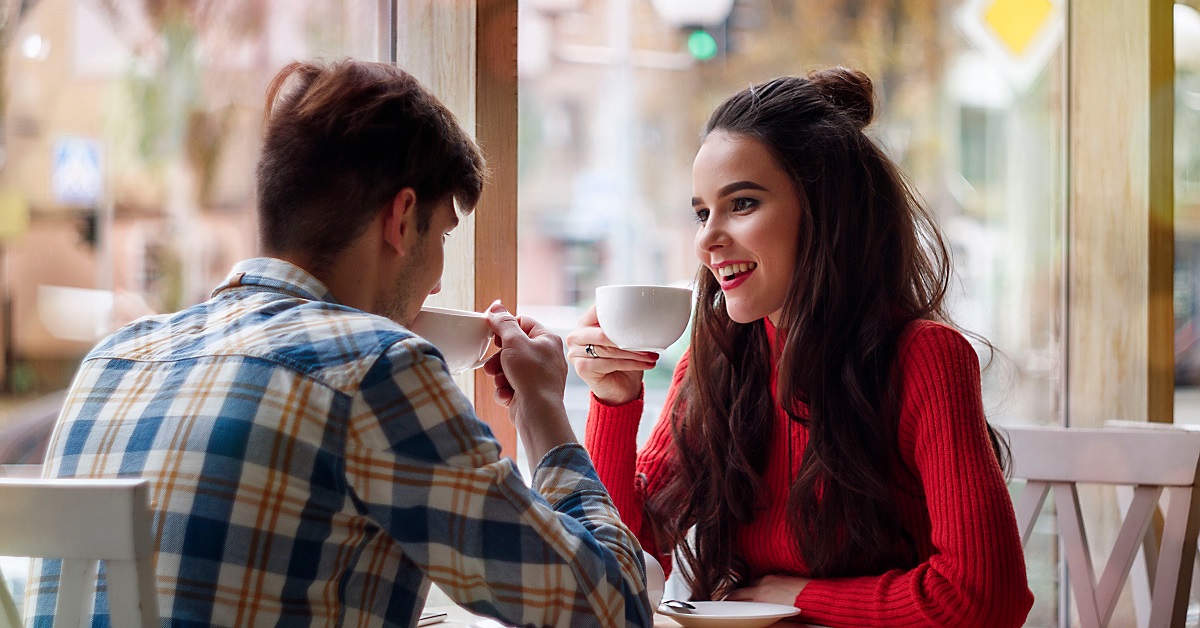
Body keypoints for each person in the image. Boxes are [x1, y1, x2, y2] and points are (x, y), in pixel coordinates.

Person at [27, 59, 653, 628]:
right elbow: (611, 608)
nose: (437, 280)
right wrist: (542, 410)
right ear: (401, 219)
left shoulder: (111, 362)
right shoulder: (374, 366)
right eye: (442, 238)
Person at [568, 68, 1034, 627]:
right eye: (701, 212)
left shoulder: (926, 359)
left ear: (823, 209)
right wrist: (613, 403)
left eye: (740, 204)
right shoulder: (720, 360)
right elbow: (613, 565)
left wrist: (794, 593)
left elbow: (983, 599)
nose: (707, 239)